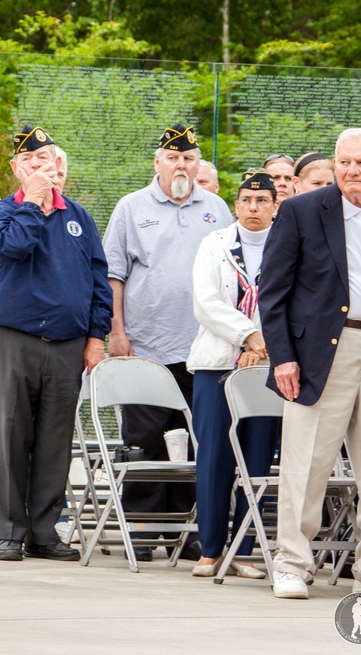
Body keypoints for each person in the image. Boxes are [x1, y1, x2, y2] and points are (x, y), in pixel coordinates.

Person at [260, 127, 361, 601]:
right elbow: (272, 292)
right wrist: (282, 357)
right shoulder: (301, 211)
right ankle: (293, 564)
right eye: (344, 162)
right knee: (307, 464)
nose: (351, 171)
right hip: (319, 355)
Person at [102, 123, 233, 562]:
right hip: (147, 344)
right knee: (145, 438)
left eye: (189, 158)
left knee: (200, 440)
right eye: (173, 157)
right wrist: (117, 331)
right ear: (157, 162)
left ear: (198, 164)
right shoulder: (131, 207)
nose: (181, 164)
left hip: (204, 348)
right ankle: (141, 525)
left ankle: (193, 527)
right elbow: (113, 274)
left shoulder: (216, 208)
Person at [0, 126, 112, 562]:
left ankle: (44, 531)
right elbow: (15, 247)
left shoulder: (79, 216)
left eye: (48, 162)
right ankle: (8, 532)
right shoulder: (2, 212)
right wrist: (35, 204)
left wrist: (97, 338)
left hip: (67, 344)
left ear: (60, 166)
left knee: (55, 441)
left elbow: (99, 281)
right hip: (14, 341)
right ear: (17, 169)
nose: (42, 169)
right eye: (31, 164)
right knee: (13, 436)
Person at [186, 169, 280, 579]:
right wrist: (249, 338)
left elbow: (291, 301)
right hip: (217, 363)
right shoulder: (214, 243)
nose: (253, 208)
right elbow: (205, 302)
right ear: (235, 205)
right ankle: (209, 549)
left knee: (257, 458)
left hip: (266, 366)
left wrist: (263, 349)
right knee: (214, 456)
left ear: (276, 206)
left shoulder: (288, 244)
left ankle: (243, 549)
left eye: (262, 201)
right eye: (246, 201)